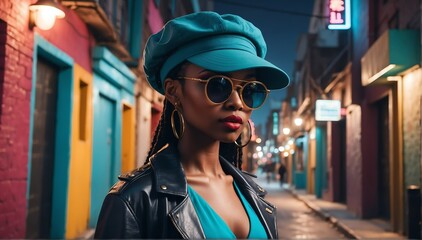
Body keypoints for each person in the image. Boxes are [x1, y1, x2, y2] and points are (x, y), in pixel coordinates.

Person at [94, 11, 289, 239]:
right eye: (217, 84)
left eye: (250, 90)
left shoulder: (253, 194)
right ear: (173, 91)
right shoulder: (134, 200)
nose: (237, 102)